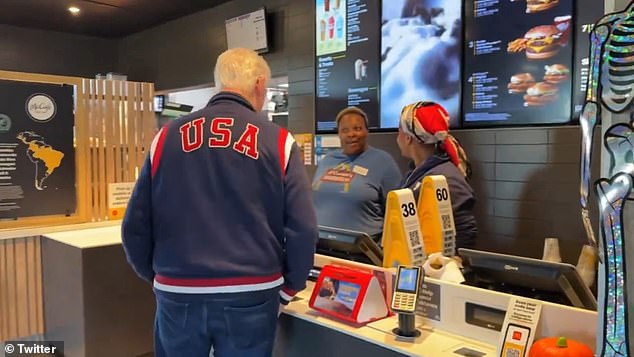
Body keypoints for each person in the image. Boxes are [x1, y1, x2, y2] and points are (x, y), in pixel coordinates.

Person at [121, 48, 318, 357]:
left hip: (178, 288)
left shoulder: (165, 138)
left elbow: (135, 225)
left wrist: (158, 275)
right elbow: (303, 228)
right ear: (259, 83)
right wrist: (289, 288)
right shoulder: (279, 141)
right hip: (251, 290)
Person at [312, 106, 402, 240]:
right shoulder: (328, 160)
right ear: (339, 134)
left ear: (367, 131)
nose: (351, 134)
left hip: (361, 251)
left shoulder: (383, 162)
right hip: (320, 244)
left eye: (357, 128)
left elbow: (397, 213)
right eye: (345, 130)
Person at [396, 101, 477, 249]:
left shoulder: (446, 178)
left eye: (399, 130)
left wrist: (448, 264)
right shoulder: (415, 173)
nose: (397, 136)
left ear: (408, 138)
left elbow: (465, 232)